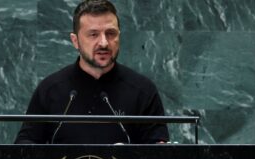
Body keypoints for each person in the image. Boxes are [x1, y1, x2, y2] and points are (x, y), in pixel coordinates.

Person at [15, 0, 169, 144]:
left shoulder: (143, 91)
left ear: (119, 36)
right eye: (93, 34)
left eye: (110, 33)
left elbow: (158, 157)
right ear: (75, 41)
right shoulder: (50, 90)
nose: (103, 43)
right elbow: (25, 150)